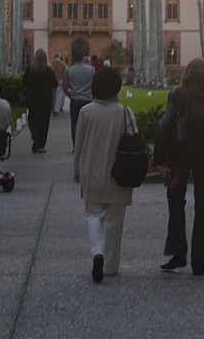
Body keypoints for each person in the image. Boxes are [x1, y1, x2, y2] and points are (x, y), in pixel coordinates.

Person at [153, 57, 204, 276]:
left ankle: (177, 253)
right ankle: (199, 261)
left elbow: (164, 126)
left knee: (174, 201)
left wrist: (159, 160)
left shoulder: (178, 96)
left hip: (176, 158)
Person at [73, 67, 136, 283]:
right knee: (115, 221)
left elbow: (79, 146)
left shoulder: (86, 111)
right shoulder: (125, 111)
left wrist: (77, 170)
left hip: (91, 171)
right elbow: (134, 142)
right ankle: (110, 266)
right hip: (120, 174)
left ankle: (97, 252)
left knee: (93, 215)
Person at [22, 48, 58, 153]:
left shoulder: (30, 69)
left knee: (33, 119)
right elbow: (54, 84)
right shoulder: (48, 70)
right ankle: (41, 143)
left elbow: (24, 83)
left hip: (33, 97)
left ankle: (36, 136)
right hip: (46, 98)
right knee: (44, 121)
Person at [64, 47, 95, 151]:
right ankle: (87, 144)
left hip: (75, 99)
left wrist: (69, 94)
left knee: (75, 123)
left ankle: (76, 145)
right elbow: (95, 83)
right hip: (88, 99)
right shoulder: (90, 69)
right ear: (82, 57)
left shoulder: (70, 70)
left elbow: (65, 86)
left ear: (72, 57)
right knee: (88, 124)